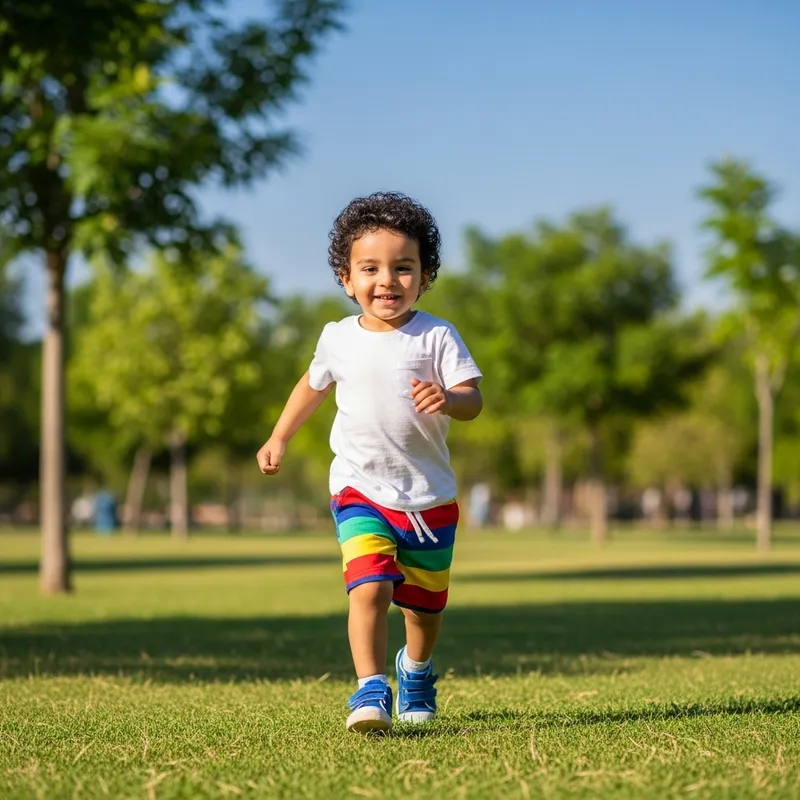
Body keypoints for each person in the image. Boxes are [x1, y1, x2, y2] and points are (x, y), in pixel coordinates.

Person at [256, 192, 483, 734]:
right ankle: (370, 688)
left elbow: (472, 399)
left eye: (403, 268)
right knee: (370, 587)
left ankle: (417, 670)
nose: (388, 280)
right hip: (359, 490)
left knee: (423, 611)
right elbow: (310, 388)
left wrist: (449, 399)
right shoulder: (336, 338)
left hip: (428, 498)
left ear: (424, 276)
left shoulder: (436, 335)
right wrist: (279, 436)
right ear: (346, 277)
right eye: (371, 268)